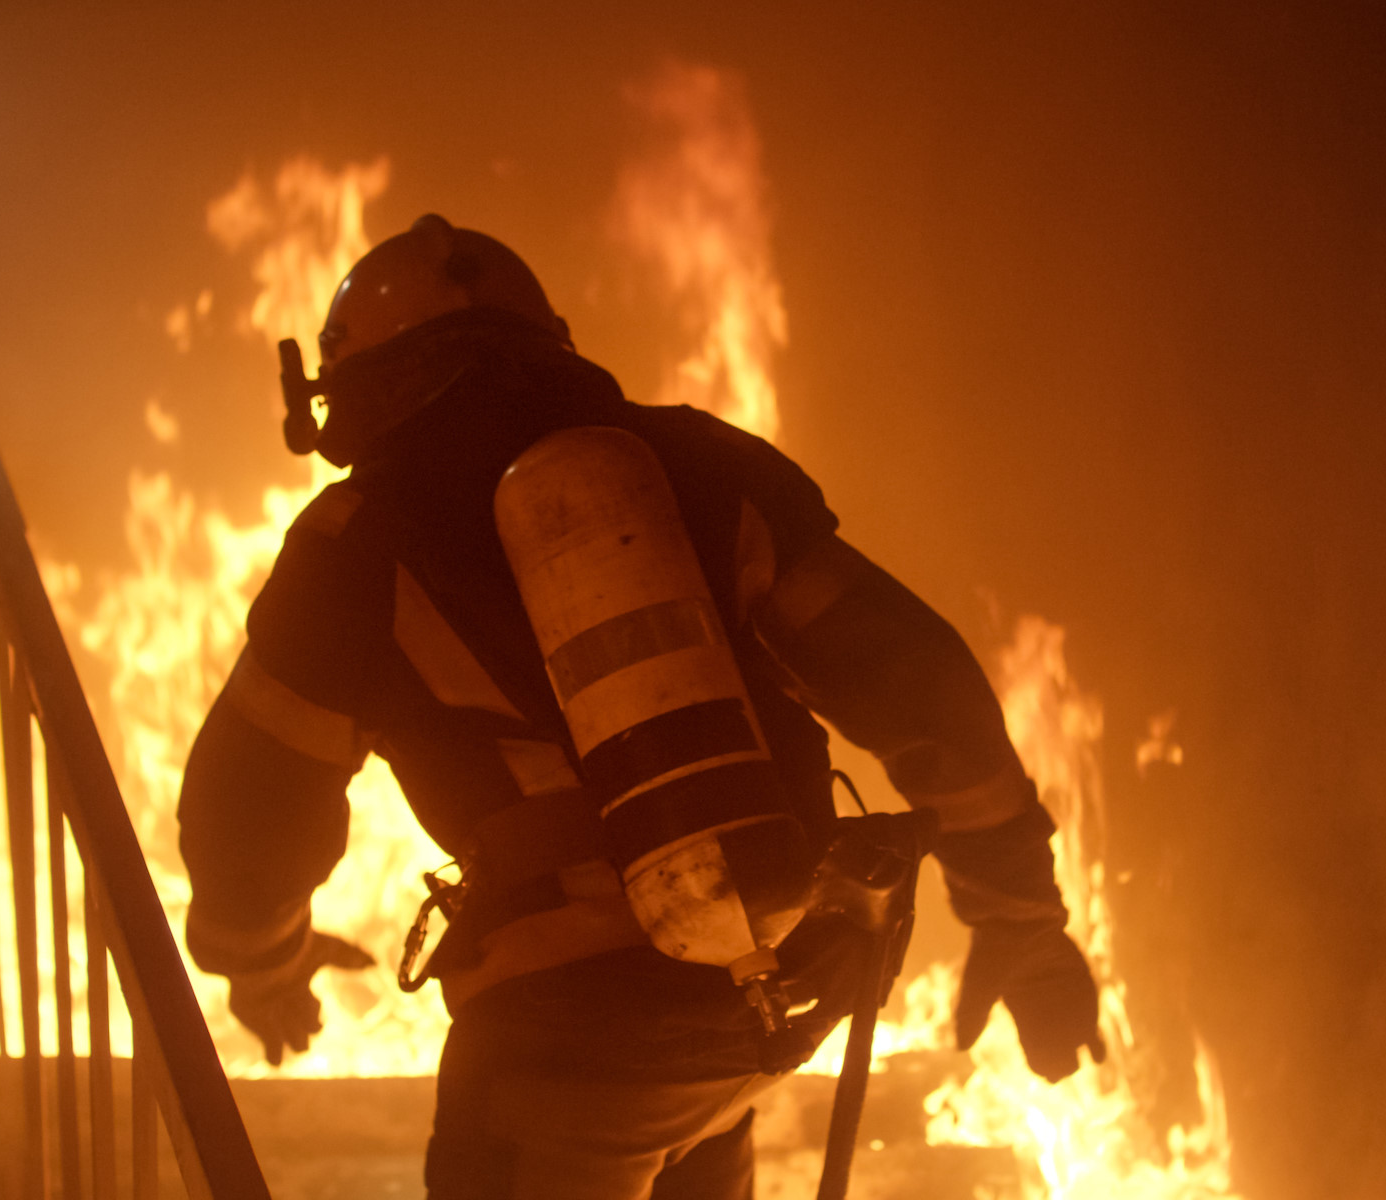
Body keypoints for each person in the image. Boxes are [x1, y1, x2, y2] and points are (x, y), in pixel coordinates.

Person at [177, 214, 1103, 1200]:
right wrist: (1021, 919)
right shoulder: (704, 466)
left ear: (357, 388)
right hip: (769, 998)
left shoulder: (356, 545)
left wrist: (261, 961)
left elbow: (249, 807)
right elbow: (923, 689)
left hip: (564, 1055)